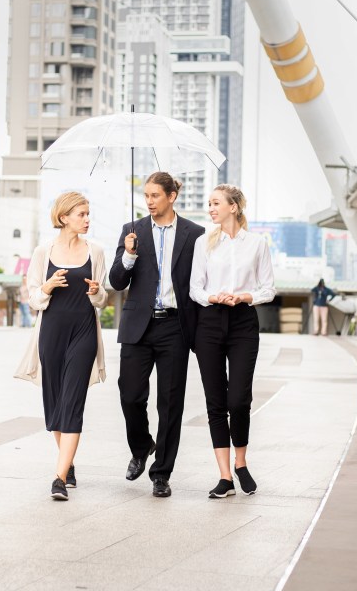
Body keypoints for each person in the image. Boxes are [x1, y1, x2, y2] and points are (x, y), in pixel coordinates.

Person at [109, 172, 204, 498]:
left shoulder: (195, 234)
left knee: (171, 403)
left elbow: (201, 282)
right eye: (146, 195)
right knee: (130, 395)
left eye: (155, 195)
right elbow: (117, 281)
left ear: (171, 196)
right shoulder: (131, 231)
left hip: (175, 328)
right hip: (138, 325)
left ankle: (161, 472)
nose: (149, 201)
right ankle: (141, 445)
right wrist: (129, 255)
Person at [14, 191, 107, 500]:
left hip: (83, 333)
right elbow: (33, 297)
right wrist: (47, 286)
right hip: (51, 333)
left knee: (73, 401)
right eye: (81, 213)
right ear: (64, 217)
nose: (87, 218)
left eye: (88, 213)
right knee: (55, 403)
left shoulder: (96, 251)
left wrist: (96, 292)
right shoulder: (43, 252)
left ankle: (58, 478)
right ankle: (68, 464)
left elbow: (102, 299)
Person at [189, 184, 275, 499]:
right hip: (209, 322)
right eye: (209, 203)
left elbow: (268, 288)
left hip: (242, 322)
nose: (211, 209)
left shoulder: (257, 243)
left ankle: (241, 462)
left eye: (215, 203)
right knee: (216, 402)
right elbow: (194, 287)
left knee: (239, 400)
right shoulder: (203, 243)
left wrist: (245, 296)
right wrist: (213, 296)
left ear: (233, 207)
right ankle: (225, 476)